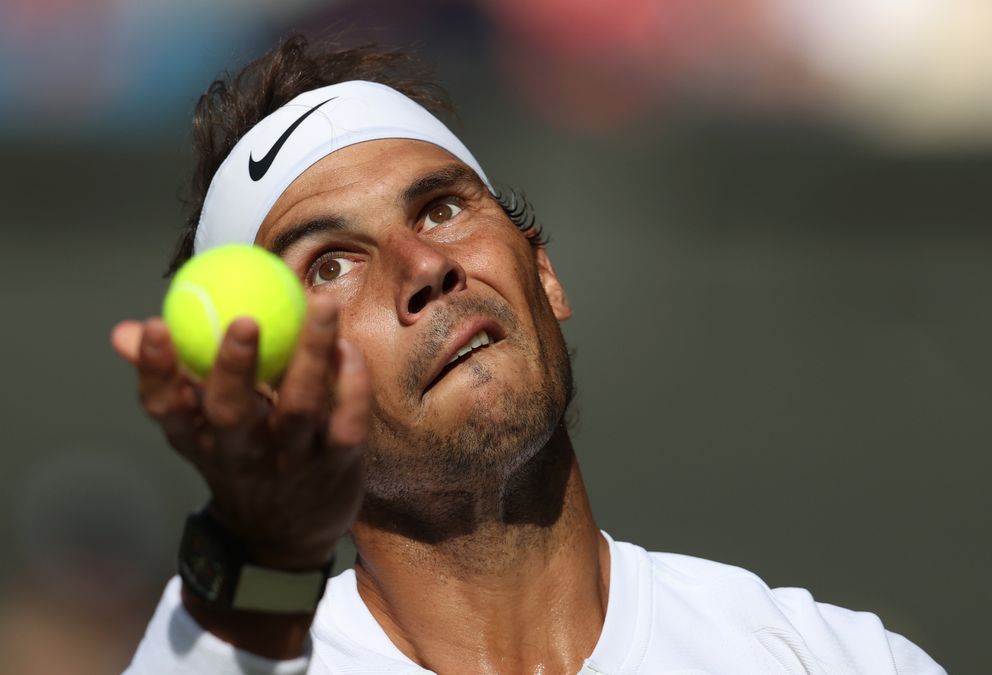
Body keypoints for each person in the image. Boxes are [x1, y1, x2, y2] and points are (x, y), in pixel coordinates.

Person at [111, 35, 945, 674]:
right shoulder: (244, 648)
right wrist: (260, 552)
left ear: (542, 273)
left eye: (440, 210)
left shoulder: (826, 657)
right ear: (271, 392)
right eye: (331, 263)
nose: (427, 268)